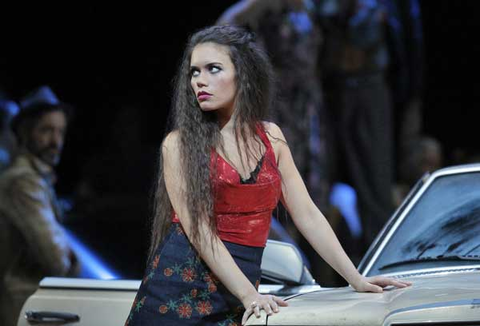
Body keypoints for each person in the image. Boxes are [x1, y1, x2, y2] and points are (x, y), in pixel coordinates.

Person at [125, 25, 410, 326]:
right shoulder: (179, 144)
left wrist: (356, 278)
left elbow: (308, 214)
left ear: (243, 74)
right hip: (178, 289)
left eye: (213, 69)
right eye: (194, 72)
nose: (200, 81)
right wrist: (249, 295)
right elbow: (199, 231)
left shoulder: (271, 137)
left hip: (239, 292)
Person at [217, 0, 331, 282]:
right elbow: (219, 33)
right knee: (280, 193)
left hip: (308, 108)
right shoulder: (263, 7)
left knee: (313, 193)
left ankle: (324, 277)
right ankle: (285, 274)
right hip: (279, 105)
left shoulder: (311, 8)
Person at [314, 0, 396, 251]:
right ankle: (325, 261)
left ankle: (382, 254)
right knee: (320, 180)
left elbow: (357, 54)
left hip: (367, 90)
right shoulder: (322, 8)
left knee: (374, 180)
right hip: (330, 93)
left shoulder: (375, 8)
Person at [0, 85, 80, 326]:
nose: (56, 141)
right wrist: (71, 256)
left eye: (60, 132)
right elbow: (57, 260)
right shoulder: (22, 181)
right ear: (25, 133)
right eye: (46, 130)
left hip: (34, 309)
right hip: (23, 309)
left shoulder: (37, 180)